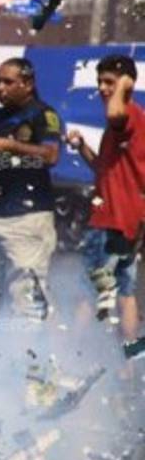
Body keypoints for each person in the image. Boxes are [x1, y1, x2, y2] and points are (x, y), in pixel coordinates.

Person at [0, 58, 63, 325]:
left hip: (28, 218)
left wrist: (11, 146)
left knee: (26, 301)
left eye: (8, 82)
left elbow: (51, 155)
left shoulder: (43, 115)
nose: (0, 88)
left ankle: (25, 364)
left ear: (27, 84)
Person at [66, 55, 145, 356]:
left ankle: (72, 360)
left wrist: (123, 87)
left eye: (108, 82)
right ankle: (130, 363)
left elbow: (115, 114)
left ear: (127, 84)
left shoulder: (128, 116)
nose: (102, 88)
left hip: (112, 221)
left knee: (90, 292)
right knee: (124, 292)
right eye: (99, 82)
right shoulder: (123, 125)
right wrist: (82, 146)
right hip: (126, 222)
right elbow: (103, 169)